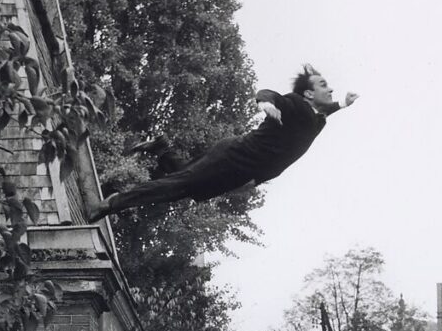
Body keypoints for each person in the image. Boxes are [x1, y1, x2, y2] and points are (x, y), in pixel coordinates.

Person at [88, 65, 359, 220]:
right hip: (234, 156)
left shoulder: (316, 119)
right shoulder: (297, 105)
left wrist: (343, 104)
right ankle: (110, 203)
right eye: (324, 85)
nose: (331, 88)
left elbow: (325, 110)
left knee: (188, 184)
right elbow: (270, 93)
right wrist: (264, 102)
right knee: (180, 186)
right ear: (309, 93)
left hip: (244, 172)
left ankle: (161, 148)